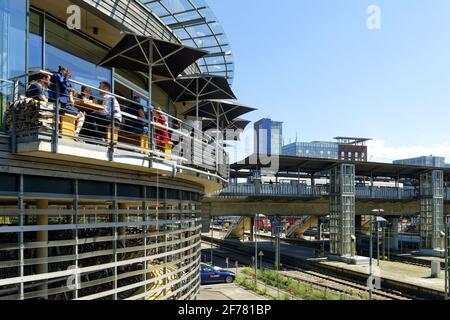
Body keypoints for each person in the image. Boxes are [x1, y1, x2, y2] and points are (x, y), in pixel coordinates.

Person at [48, 66, 85, 136]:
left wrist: (71, 97)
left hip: (60, 103)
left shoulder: (59, 78)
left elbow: (69, 92)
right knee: (82, 115)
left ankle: (68, 133)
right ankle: (76, 134)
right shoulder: (58, 77)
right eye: (67, 73)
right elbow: (63, 83)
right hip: (62, 104)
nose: (68, 75)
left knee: (78, 114)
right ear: (63, 71)